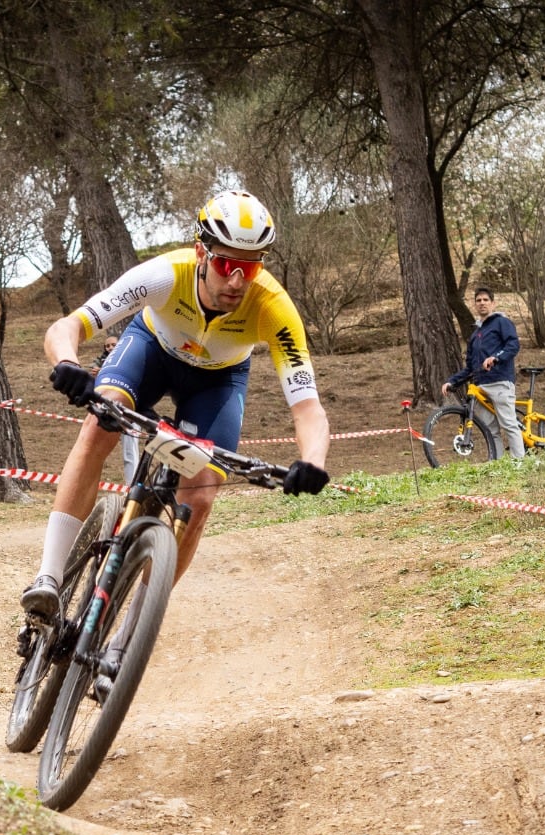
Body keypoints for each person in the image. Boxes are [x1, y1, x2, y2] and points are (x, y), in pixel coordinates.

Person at [21, 189, 331, 620]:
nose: (238, 280)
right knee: (100, 422)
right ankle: (48, 579)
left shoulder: (274, 307)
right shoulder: (166, 273)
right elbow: (68, 326)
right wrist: (69, 363)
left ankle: (137, 622)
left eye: (251, 267)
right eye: (226, 265)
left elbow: (308, 408)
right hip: (151, 351)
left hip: (219, 380)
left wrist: (312, 460)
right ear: (202, 252)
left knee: (202, 491)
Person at [441, 287, 525, 461]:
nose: (482, 303)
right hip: (481, 386)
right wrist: (452, 382)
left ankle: (519, 463)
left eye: (486, 300)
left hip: (500, 381)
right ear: (474, 304)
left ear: (493, 303)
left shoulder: (502, 322)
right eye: (478, 300)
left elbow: (513, 345)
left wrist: (496, 358)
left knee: (508, 424)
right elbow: (470, 368)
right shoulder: (475, 335)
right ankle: (497, 463)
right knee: (489, 428)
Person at [96, 334, 140, 486]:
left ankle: (132, 485)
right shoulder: (100, 364)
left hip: (130, 410)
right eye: (107, 346)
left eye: (113, 345)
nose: (110, 348)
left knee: (130, 452)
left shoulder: (129, 359)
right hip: (107, 412)